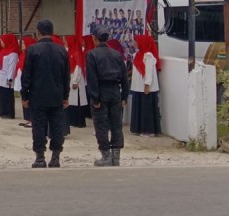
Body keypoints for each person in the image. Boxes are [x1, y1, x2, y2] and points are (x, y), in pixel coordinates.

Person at [21, 20, 70, 168]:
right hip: (57, 95)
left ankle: (40, 157)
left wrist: (25, 96)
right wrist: (65, 96)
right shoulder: (61, 50)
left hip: (38, 96)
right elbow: (66, 76)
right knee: (57, 126)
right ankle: (55, 157)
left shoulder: (32, 50)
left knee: (39, 126)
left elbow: (26, 75)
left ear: (38, 32)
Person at [87, 26, 130, 167]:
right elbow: (124, 77)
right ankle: (116, 156)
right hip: (115, 91)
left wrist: (95, 98)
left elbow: (92, 78)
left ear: (94, 38)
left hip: (101, 91)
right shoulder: (117, 54)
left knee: (101, 125)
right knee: (116, 124)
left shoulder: (92, 54)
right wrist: (124, 96)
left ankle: (106, 155)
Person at [130, 35, 162, 137]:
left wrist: (147, 84)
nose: (134, 43)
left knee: (146, 109)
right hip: (138, 86)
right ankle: (138, 129)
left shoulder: (148, 56)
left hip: (146, 87)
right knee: (139, 108)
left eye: (136, 41)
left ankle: (148, 130)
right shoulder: (137, 54)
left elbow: (149, 71)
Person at [65, 35, 89, 131]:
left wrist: (75, 81)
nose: (65, 42)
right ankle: (73, 121)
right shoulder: (70, 51)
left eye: (67, 40)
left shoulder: (76, 51)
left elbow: (78, 67)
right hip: (71, 77)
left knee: (77, 99)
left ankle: (78, 122)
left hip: (76, 79)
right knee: (72, 100)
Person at [0, 34, 19, 119]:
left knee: (8, 96)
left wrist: (10, 78)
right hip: (1, 77)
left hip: (7, 78)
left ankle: (9, 113)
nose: (1, 43)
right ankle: (3, 111)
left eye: (2, 41)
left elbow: (12, 67)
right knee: (2, 95)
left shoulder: (13, 53)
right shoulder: (4, 51)